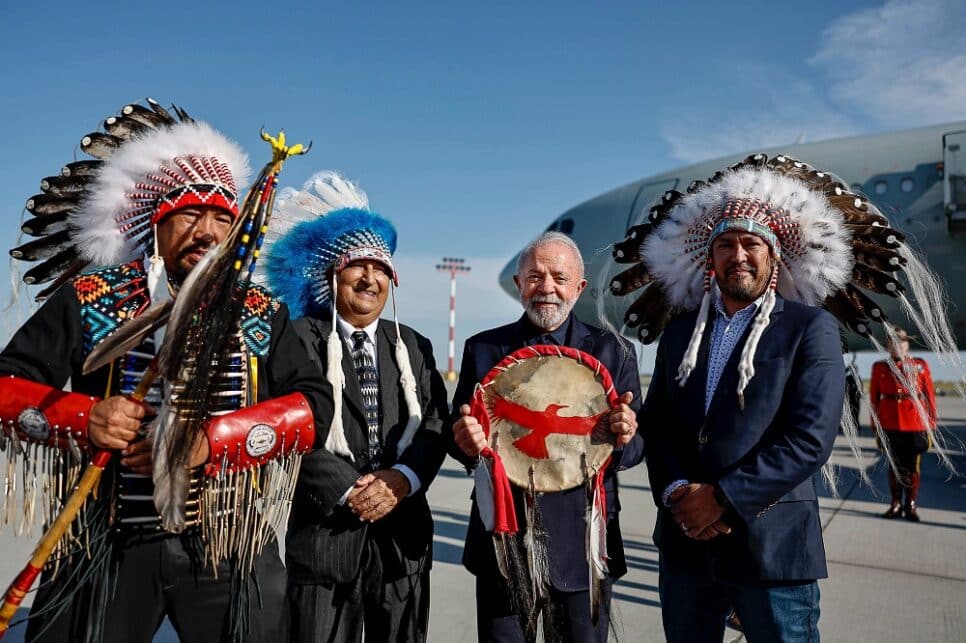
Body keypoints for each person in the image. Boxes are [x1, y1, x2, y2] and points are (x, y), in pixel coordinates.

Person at [0, 101, 332, 643]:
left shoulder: (259, 311)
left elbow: (314, 406)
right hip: (105, 536)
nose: (207, 231)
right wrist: (86, 417)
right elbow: (6, 387)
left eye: (222, 219)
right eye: (189, 214)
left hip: (227, 539)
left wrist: (211, 441)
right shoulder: (91, 297)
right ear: (156, 222)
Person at [264, 172, 449, 643]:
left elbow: (435, 424)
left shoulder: (414, 345)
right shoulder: (297, 337)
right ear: (333, 276)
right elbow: (288, 423)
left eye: (380, 268)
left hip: (403, 542)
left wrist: (401, 480)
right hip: (325, 538)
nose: (370, 278)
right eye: (357, 266)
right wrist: (349, 489)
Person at [449, 231, 643, 642]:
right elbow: (459, 433)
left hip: (582, 544)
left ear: (580, 287)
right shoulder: (483, 349)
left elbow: (638, 448)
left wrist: (625, 436)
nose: (547, 288)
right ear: (519, 284)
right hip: (504, 540)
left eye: (559, 277)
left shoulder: (616, 352)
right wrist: (464, 440)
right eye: (535, 277)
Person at [869, 328, 936, 521]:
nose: (897, 346)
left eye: (901, 342)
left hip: (914, 423)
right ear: (888, 346)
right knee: (894, 465)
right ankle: (896, 503)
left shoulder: (919, 365)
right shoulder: (880, 367)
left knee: (913, 466)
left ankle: (911, 504)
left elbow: (929, 395)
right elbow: (874, 397)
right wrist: (875, 423)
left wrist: (930, 421)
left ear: (907, 345)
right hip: (889, 422)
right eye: (893, 342)